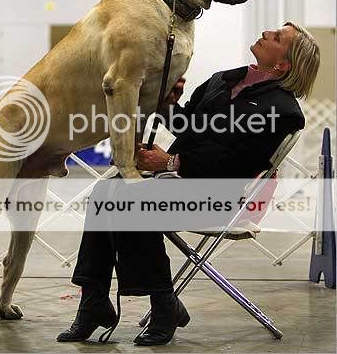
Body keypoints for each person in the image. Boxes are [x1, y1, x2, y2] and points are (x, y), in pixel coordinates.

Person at [57, 21, 320, 346]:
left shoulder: (283, 111)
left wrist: (170, 162)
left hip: (222, 197)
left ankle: (163, 303)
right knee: (104, 192)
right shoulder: (224, 80)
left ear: (282, 64)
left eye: (277, 37)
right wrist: (168, 103)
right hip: (180, 182)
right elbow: (188, 126)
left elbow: (239, 165)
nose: (267, 33)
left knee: (133, 201)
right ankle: (93, 303)